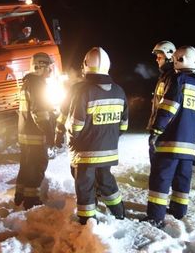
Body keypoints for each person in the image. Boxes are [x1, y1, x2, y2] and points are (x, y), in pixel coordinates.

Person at [144, 46, 195, 228]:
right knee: (183, 179)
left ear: (178, 60)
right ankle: (178, 211)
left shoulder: (178, 80)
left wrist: (156, 130)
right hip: (189, 146)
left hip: (170, 142)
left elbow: (168, 107)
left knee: (161, 178)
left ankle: (155, 217)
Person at [60, 47, 129, 225]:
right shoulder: (119, 91)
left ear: (85, 65)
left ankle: (87, 219)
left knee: (84, 185)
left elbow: (75, 125)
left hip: (85, 152)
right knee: (106, 180)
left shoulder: (82, 91)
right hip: (109, 151)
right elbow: (124, 125)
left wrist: (68, 136)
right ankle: (119, 211)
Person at [14, 52, 56, 210]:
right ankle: (31, 202)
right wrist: (50, 133)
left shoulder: (28, 82)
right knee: (37, 166)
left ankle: (20, 195)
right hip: (35, 135)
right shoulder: (38, 84)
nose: (50, 70)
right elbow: (40, 113)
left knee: (26, 165)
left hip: (25, 134)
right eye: (48, 67)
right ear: (40, 66)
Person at [147, 41, 176, 161]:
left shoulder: (172, 77)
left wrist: (157, 130)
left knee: (161, 160)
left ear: (169, 58)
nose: (156, 60)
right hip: (160, 127)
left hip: (165, 129)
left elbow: (169, 106)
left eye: (159, 57)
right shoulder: (164, 76)